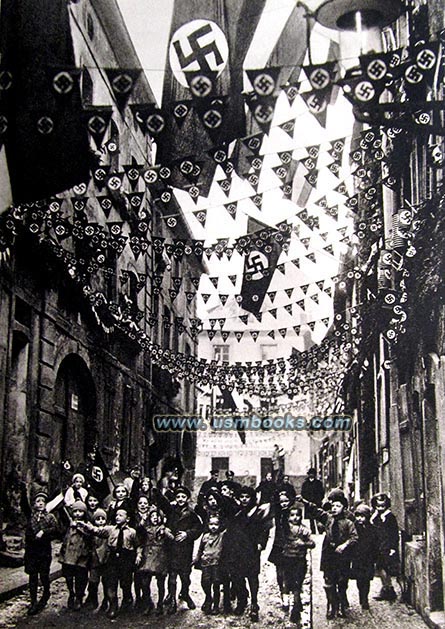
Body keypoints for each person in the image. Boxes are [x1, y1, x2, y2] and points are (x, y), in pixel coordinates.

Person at [298, 492, 357, 619]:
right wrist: (304, 501)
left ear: (344, 508)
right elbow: (316, 510)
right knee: (328, 581)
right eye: (333, 506)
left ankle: (341, 606)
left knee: (342, 581)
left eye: (338, 506)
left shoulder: (348, 522)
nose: (334, 508)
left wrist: (344, 545)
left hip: (342, 555)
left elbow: (354, 537)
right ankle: (331, 605)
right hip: (329, 554)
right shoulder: (328, 518)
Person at [80, 506, 140, 619]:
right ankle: (113, 606)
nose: (117, 517)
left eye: (120, 515)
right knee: (111, 583)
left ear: (127, 519)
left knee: (125, 582)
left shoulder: (132, 532)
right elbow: (97, 531)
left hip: (125, 559)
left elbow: (138, 545)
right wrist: (87, 526)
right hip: (112, 559)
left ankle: (127, 600)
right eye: (116, 515)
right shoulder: (110, 529)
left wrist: (138, 555)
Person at [221, 485, 271, 622]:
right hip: (236, 549)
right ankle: (242, 601)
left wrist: (261, 543)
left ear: (251, 498)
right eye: (242, 497)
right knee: (237, 576)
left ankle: (254, 603)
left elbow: (264, 529)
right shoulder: (235, 510)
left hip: (252, 548)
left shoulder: (258, 511)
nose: (244, 499)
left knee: (252, 576)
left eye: (247, 497)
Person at [156, 485, 203, 614]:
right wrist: (166, 529)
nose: (181, 499)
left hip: (185, 550)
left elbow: (199, 528)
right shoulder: (171, 511)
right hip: (171, 548)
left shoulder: (192, 513)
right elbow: (164, 517)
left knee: (185, 576)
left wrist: (187, 534)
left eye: (183, 497)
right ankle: (172, 599)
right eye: (178, 497)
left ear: (187, 498)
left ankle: (185, 594)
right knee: (172, 577)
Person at [23, 489, 58, 616]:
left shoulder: (50, 517)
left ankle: (46, 593)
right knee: (32, 576)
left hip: (44, 551)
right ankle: (33, 602)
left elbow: (56, 530)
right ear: (34, 504)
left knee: (44, 575)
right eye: (38, 501)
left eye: (43, 501)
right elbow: (23, 505)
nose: (41, 503)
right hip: (32, 551)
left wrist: (44, 531)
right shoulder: (30, 517)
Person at [136, 505, 174, 615]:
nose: (155, 518)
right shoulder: (146, 529)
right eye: (152, 516)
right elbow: (140, 538)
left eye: (157, 516)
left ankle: (160, 604)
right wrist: (139, 553)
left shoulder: (164, 529)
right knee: (145, 582)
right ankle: (148, 603)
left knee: (160, 582)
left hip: (160, 557)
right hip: (147, 556)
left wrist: (165, 531)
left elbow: (172, 539)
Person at [281, 504, 315, 625]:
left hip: (300, 560)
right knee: (287, 581)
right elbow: (282, 521)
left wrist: (304, 543)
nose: (295, 518)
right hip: (287, 559)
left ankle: (296, 605)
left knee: (297, 583)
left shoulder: (305, 529)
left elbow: (312, 543)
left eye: (298, 515)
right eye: (292, 515)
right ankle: (288, 601)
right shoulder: (286, 528)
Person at [59, 500, 91, 610]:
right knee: (68, 576)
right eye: (75, 511)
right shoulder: (69, 523)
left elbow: (89, 535)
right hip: (68, 554)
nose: (77, 514)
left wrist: (79, 527)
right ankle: (71, 593)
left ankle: (79, 596)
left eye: (80, 512)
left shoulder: (87, 524)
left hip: (82, 555)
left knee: (81, 577)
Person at [194, 514, 226, 615]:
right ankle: (208, 598)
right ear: (208, 525)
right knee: (205, 582)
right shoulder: (205, 536)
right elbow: (200, 549)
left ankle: (216, 605)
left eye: (216, 524)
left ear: (220, 525)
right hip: (206, 563)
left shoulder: (222, 536)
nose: (213, 526)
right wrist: (197, 559)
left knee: (216, 583)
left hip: (216, 564)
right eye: (211, 524)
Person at [370, 492, 400, 602]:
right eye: (378, 506)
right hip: (378, 546)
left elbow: (394, 534)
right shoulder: (375, 516)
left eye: (382, 506)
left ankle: (389, 589)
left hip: (387, 546)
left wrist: (393, 548)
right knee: (379, 568)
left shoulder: (390, 517)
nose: (380, 508)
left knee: (385, 568)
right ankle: (386, 588)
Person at [350, 503, 379, 610]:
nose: (360, 519)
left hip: (368, 559)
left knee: (366, 580)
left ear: (367, 517)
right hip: (357, 558)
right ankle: (361, 595)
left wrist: (375, 557)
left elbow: (376, 544)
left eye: (362, 516)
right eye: (358, 516)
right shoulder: (354, 527)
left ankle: (365, 598)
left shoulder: (373, 529)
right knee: (359, 579)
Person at [268, 491, 293, 609]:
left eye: (286, 501)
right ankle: (283, 593)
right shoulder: (277, 514)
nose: (284, 504)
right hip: (278, 545)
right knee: (279, 573)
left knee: (288, 572)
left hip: (290, 545)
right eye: (281, 501)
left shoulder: (293, 513)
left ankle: (287, 595)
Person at [84, 508, 109, 611]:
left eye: (102, 519)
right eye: (97, 519)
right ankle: (93, 600)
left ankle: (105, 601)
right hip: (94, 560)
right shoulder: (91, 532)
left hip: (105, 560)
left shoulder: (108, 530)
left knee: (106, 581)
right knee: (93, 581)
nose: (100, 521)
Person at [300, 468, 324, 534]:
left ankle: (320, 531)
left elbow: (321, 493)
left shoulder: (318, 483)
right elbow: (303, 493)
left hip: (317, 503)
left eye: (313, 474)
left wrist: (318, 501)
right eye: (310, 474)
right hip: (308, 503)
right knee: (311, 519)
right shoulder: (305, 484)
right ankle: (313, 531)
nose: (311, 475)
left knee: (318, 517)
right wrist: (307, 501)